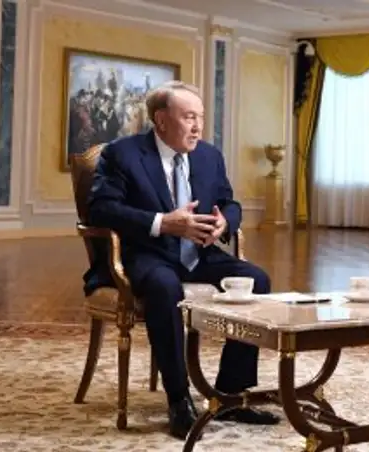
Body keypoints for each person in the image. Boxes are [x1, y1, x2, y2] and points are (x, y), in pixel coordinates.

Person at [87, 80, 280, 440]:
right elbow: (101, 209)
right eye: (189, 117)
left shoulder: (209, 156)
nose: (198, 127)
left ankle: (231, 395)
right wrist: (163, 223)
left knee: (257, 280)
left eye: (200, 117)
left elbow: (230, 202)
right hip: (147, 253)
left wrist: (225, 223)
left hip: (199, 253)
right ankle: (178, 400)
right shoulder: (122, 154)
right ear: (161, 120)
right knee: (165, 286)